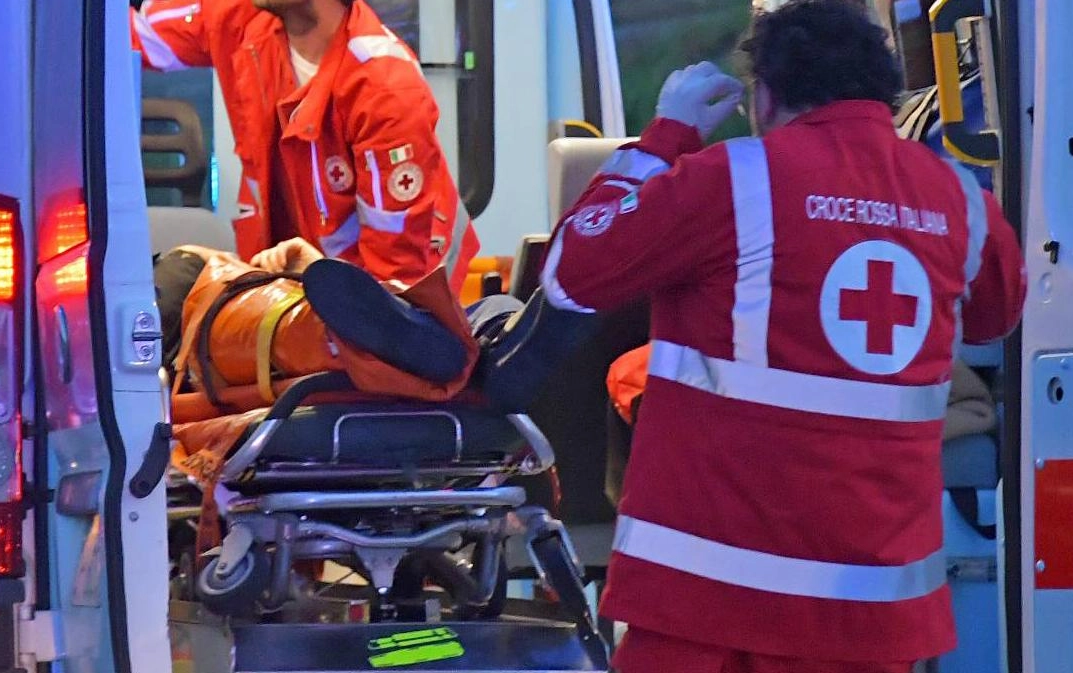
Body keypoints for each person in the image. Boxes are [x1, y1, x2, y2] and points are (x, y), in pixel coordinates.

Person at [538, 1, 1026, 671]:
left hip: (711, 610)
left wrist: (665, 135)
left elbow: (571, 274)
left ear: (763, 94)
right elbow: (994, 317)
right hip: (871, 617)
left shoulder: (731, 181)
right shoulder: (959, 201)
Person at [132, 0, 477, 293]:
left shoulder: (385, 91)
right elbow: (120, 36)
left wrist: (312, 284)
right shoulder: (237, 16)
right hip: (285, 283)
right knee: (176, 282)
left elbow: (393, 293)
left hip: (377, 299)